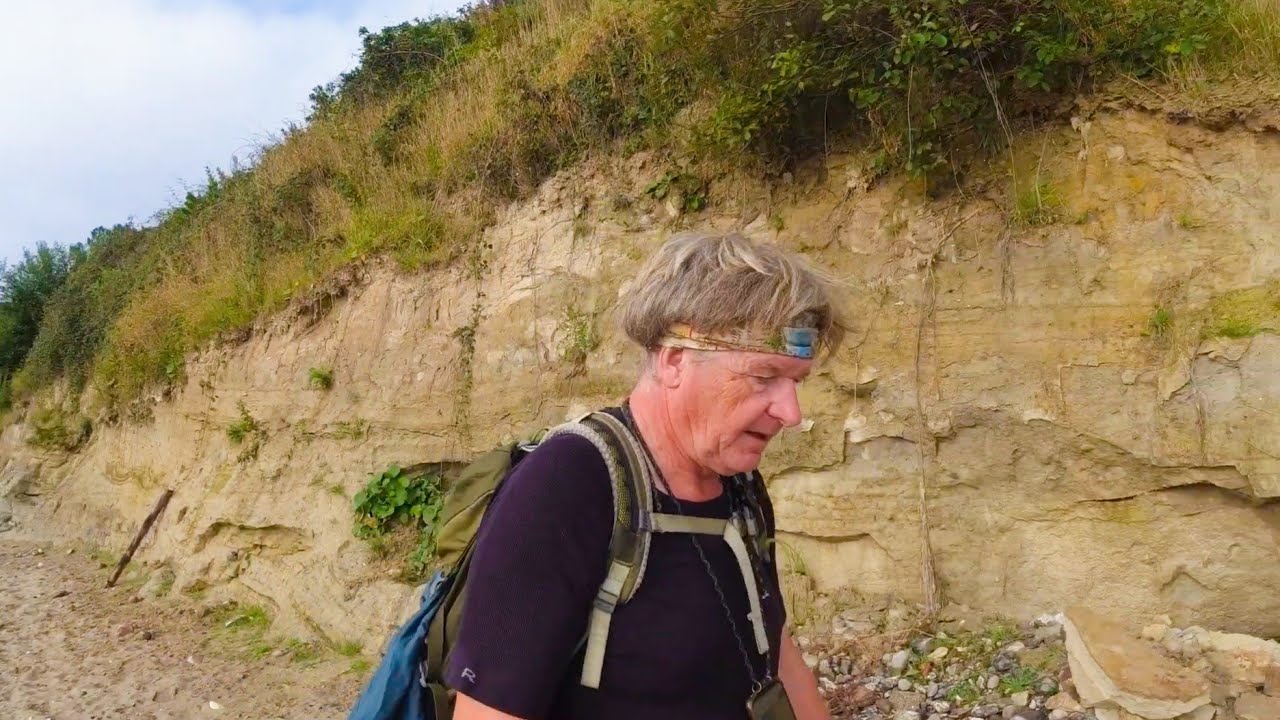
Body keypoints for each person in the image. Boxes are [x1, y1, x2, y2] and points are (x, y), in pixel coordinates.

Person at [443, 231, 848, 720]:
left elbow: (770, 637)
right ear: (675, 359)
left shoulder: (738, 485)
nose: (791, 411)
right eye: (764, 377)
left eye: (796, 382)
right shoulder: (567, 486)